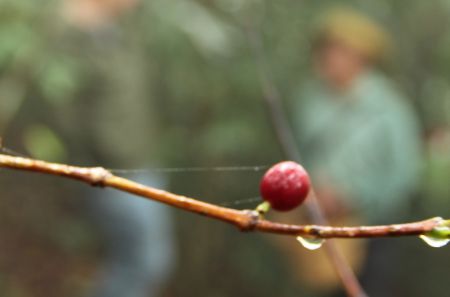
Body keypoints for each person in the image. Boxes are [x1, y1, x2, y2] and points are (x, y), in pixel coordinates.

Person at [289, 7, 422, 296]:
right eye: (326, 49)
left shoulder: (390, 109)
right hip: (321, 228)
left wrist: (354, 199)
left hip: (372, 233)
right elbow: (302, 158)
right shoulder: (311, 100)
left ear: (360, 57)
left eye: (337, 50)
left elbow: (404, 175)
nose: (327, 57)